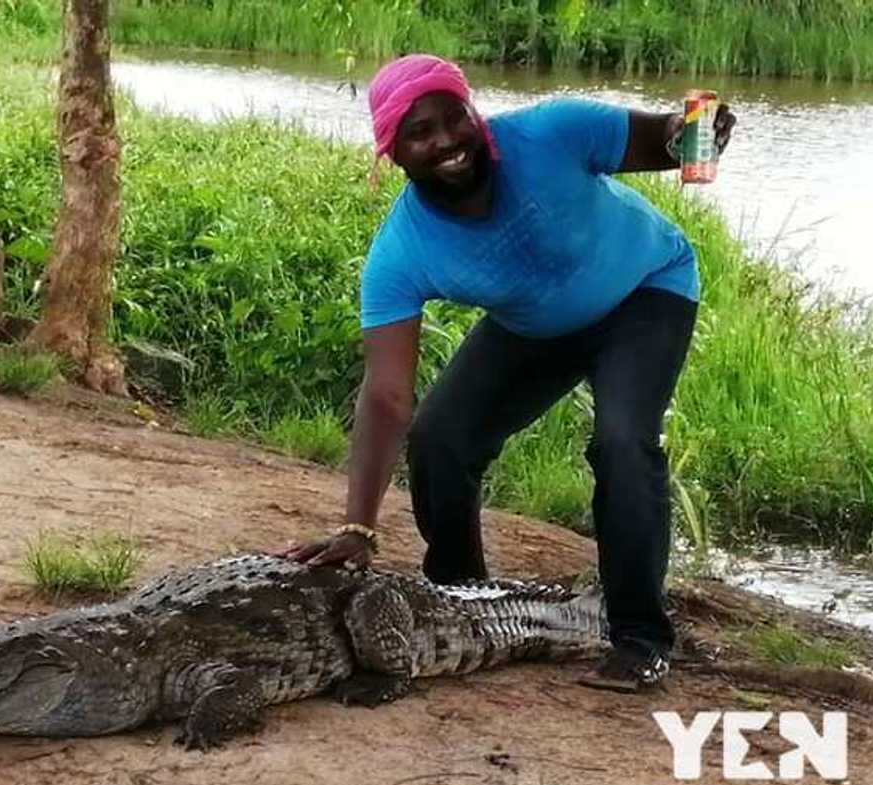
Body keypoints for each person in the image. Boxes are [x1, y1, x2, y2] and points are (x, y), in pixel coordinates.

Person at [285, 54, 736, 693]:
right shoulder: (402, 251)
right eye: (419, 133)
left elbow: (664, 136)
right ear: (392, 152)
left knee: (622, 441)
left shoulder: (551, 132)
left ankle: (639, 639)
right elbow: (387, 394)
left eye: (454, 118)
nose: (445, 141)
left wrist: (697, 129)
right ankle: (464, 601)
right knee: (441, 439)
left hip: (646, 291)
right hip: (537, 326)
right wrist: (358, 527)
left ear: (475, 115)